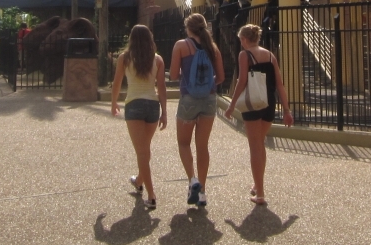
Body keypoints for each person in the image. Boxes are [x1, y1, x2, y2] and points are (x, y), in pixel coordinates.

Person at [224, 24, 294, 205]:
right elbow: (279, 84)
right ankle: (257, 184)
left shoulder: (244, 55)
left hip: (253, 103)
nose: (241, 43)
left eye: (241, 40)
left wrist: (232, 105)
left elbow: (242, 82)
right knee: (260, 144)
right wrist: (286, 110)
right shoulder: (270, 55)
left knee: (255, 146)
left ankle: (260, 193)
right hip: (269, 102)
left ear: (245, 39)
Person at [169, 13, 224, 208]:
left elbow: (174, 74)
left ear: (188, 28)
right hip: (209, 99)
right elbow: (221, 77)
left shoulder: (181, 46)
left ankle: (192, 180)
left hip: (188, 99)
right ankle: (202, 192)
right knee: (203, 146)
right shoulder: (213, 48)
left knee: (184, 143)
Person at [111, 25, 167, 210]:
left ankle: (151, 195)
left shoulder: (125, 58)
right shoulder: (157, 59)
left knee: (141, 151)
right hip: (152, 105)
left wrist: (114, 102)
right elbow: (162, 88)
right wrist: (164, 111)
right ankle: (139, 180)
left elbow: (117, 81)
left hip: (134, 104)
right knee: (145, 148)